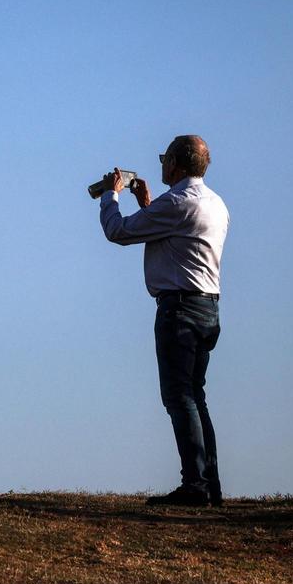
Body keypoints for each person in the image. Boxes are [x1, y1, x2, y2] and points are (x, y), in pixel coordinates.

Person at [98, 136, 230, 507]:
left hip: (180, 309)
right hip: (208, 307)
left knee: (179, 397)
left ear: (175, 163)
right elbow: (177, 235)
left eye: (163, 158)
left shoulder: (176, 203)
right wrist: (148, 205)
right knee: (195, 396)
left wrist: (112, 194)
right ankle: (209, 483)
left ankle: (195, 485)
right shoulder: (215, 204)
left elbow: (118, 231)